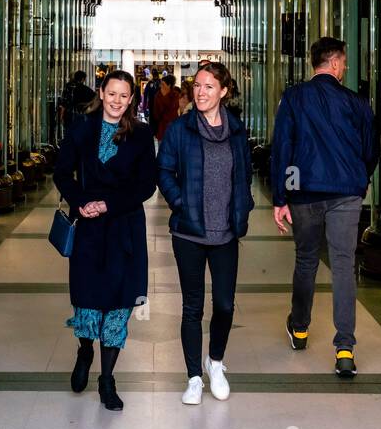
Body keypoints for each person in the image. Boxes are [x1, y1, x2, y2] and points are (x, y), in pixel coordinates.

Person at [269, 36, 378, 377]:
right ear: (333, 63)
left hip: (304, 192)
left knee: (306, 261)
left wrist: (281, 196)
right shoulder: (356, 102)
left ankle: (299, 328)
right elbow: (371, 149)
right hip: (346, 193)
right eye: (343, 62)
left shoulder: (294, 98)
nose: (345, 67)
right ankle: (344, 348)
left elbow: (283, 146)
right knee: (343, 265)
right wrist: (360, 180)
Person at [53, 69, 158, 411]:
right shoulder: (82, 129)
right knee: (87, 298)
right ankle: (85, 350)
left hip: (124, 225)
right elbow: (61, 172)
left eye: (123, 95)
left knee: (118, 302)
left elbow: (146, 186)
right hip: (89, 226)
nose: (116, 101)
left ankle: (108, 379)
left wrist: (108, 203)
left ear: (132, 99)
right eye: (111, 93)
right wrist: (81, 202)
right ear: (101, 92)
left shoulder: (141, 135)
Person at [156, 62, 253, 405]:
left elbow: (244, 175)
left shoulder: (237, 131)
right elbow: (164, 170)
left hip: (225, 233)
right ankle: (194, 377)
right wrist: (180, 202)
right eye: (197, 86)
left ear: (224, 92)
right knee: (192, 307)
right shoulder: (180, 129)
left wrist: (244, 207)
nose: (200, 92)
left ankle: (215, 363)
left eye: (209, 86)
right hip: (189, 233)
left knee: (225, 305)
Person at [151, 73, 181, 142]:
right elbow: (156, 114)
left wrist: (165, 97)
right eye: (160, 84)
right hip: (162, 128)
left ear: (169, 85)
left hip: (174, 128)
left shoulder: (176, 94)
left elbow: (173, 109)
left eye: (163, 84)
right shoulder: (158, 95)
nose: (161, 86)